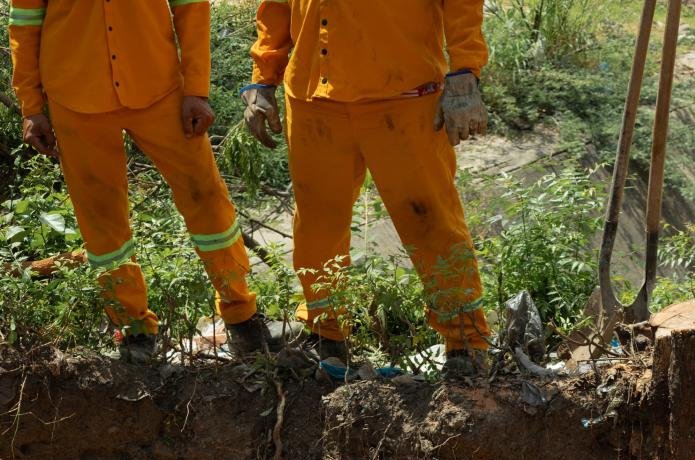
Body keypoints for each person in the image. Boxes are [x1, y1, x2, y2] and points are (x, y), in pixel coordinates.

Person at [243, 0, 492, 380]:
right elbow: (276, 6)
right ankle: (326, 335)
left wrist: (465, 72)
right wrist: (263, 78)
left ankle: (466, 343)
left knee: (431, 222)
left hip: (404, 92)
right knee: (317, 228)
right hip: (312, 97)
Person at [10, 0, 267, 362]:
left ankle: (242, 315)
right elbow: (24, 24)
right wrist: (31, 107)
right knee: (102, 223)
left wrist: (196, 89)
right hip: (75, 97)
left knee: (206, 198)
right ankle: (133, 332)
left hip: (159, 88)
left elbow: (192, 8)